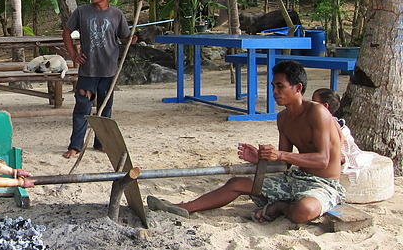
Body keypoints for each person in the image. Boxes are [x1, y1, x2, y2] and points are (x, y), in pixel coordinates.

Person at [147, 60, 346, 223]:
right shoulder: (283, 118)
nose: (275, 91)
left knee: (304, 210)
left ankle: (280, 207)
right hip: (295, 179)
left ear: (298, 87)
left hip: (324, 184)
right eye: (273, 86)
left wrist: (280, 154)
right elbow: (285, 165)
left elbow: (323, 160)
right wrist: (260, 158)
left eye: (280, 86)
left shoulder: (317, 112)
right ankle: (182, 208)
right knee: (236, 183)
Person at [61, 0, 136, 159]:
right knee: (82, 108)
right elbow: (66, 32)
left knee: (105, 109)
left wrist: (133, 38)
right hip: (88, 71)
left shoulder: (116, 14)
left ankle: (101, 143)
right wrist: (73, 55)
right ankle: (75, 146)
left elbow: (125, 37)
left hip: (109, 70)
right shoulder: (82, 12)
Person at [311, 88, 364, 171]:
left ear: (325, 106)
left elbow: (341, 138)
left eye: (314, 101)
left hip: (341, 145)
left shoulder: (330, 120)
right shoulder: (317, 119)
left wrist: (336, 153)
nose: (310, 103)